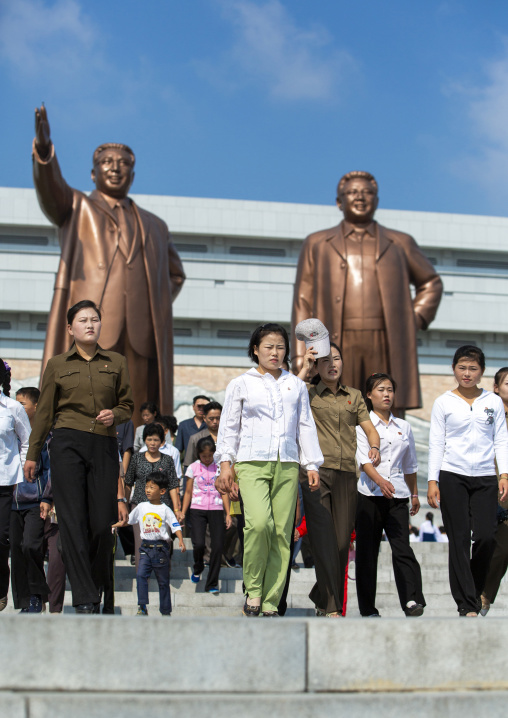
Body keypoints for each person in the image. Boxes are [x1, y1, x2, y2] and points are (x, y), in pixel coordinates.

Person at [32, 105, 186, 426]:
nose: (115, 169)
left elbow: (175, 275)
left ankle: (136, 466)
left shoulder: (155, 225)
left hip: (140, 333)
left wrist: (150, 304)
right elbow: (51, 190)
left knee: (138, 408)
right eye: (106, 163)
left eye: (124, 164)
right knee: (84, 399)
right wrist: (45, 152)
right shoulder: (76, 206)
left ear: (133, 173)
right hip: (93, 321)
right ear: (93, 173)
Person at [291, 170, 443, 412]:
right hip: (335, 338)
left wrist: (412, 319)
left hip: (385, 338)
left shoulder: (400, 242)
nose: (360, 197)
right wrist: (300, 355)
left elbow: (431, 282)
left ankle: (387, 449)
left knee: (384, 405)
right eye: (352, 192)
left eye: (367, 193)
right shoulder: (317, 243)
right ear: (339, 201)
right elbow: (303, 300)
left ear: (377, 201)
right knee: (339, 407)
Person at [24, 300, 133, 614]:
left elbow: (128, 405)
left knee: (101, 524)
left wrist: (117, 414)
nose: (90, 324)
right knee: (71, 522)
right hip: (66, 443)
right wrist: (33, 453)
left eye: (95, 319)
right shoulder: (57, 364)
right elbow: (44, 412)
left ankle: (93, 585)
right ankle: (85, 598)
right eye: (83, 320)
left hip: (103, 443)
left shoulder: (117, 361)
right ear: (70, 328)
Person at [215, 323, 323, 617]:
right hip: (250, 462)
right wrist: (226, 464)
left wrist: (311, 464)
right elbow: (229, 427)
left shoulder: (296, 385)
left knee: (281, 533)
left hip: (287, 464)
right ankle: (253, 589)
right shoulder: (241, 383)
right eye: (268, 347)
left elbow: (304, 425)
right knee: (259, 524)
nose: (275, 353)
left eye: (280, 347)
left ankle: (271, 601)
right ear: (255, 350)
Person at [296, 343, 380, 617]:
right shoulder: (306, 393)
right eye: (325, 360)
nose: (333, 364)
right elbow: (286, 395)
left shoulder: (353, 396)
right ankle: (331, 605)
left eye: (337, 358)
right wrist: (304, 369)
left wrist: (375, 447)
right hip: (315, 473)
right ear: (317, 366)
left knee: (343, 542)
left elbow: (369, 428)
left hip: (346, 474)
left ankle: (321, 592)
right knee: (323, 541)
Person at [428, 345, 508, 617]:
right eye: (462, 367)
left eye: (473, 368)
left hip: (485, 477)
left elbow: (501, 440)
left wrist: (504, 474)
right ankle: (466, 603)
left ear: (482, 372)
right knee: (459, 539)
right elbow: (437, 442)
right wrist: (432, 480)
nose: (467, 373)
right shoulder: (443, 402)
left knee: (486, 537)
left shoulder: (493, 402)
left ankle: (473, 589)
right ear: (454, 369)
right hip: (452, 476)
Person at [355, 372, 425, 618]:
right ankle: (368, 608)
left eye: (390, 390)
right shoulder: (362, 425)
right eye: (381, 390)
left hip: (398, 496)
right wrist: (379, 481)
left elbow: (410, 464)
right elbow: (364, 460)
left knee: (402, 548)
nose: (386, 394)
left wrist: (415, 494)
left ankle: (411, 600)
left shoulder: (403, 426)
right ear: (369, 395)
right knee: (367, 552)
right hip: (368, 495)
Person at [10, 387, 52, 614]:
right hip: (10, 501)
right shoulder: (10, 434)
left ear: (36, 407)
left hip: (35, 501)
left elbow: (51, 470)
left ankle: (37, 595)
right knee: (16, 551)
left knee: (30, 546)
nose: (18, 407)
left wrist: (47, 497)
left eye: (22, 403)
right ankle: (24, 602)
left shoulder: (44, 437)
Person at [127, 471, 185, 616]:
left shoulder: (165, 509)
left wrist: (181, 541)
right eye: (147, 487)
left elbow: (175, 525)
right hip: (145, 548)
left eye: (152, 487)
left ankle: (165, 611)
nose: (148, 490)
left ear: (162, 491)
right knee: (141, 576)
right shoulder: (141, 507)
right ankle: (142, 607)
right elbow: (128, 520)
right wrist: (115, 525)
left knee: (163, 582)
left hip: (161, 550)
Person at [125, 423, 180, 570]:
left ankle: (163, 577)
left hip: (162, 507)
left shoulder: (167, 460)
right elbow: (128, 482)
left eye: (156, 440)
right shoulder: (136, 459)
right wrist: (123, 505)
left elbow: (173, 485)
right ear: (144, 440)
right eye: (149, 439)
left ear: (162, 442)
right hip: (140, 506)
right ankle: (142, 578)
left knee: (164, 542)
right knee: (140, 543)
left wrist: (176, 508)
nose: (152, 443)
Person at [180, 436, 231, 594]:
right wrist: (182, 511)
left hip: (216, 509)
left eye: (210, 456)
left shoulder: (218, 468)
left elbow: (224, 492)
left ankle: (212, 583)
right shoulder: (193, 468)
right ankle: (198, 565)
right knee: (199, 543)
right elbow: (188, 492)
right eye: (204, 456)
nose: (207, 459)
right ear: (198, 454)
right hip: (197, 509)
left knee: (217, 546)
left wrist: (228, 513)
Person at [0, 360, 31, 612]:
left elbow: (27, 442)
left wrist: (20, 473)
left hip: (5, 483)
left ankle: (1, 589)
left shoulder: (12, 408)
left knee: (1, 539)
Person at [481, 367, 508, 615]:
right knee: (498, 546)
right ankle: (484, 594)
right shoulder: (489, 415)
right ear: (496, 388)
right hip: (495, 487)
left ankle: (486, 594)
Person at [140, 415, 182, 486]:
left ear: (166, 431)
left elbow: (176, 477)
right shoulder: (142, 451)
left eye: (159, 429)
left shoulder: (173, 451)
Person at [183, 402, 222, 471]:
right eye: (211, 419)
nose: (215, 421)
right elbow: (189, 465)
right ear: (204, 418)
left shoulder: (228, 437)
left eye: (218, 418)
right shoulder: (195, 439)